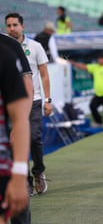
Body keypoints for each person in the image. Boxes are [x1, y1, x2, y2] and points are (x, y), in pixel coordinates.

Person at [5, 13, 53, 196]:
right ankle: (25, 180)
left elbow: (44, 74)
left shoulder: (35, 46)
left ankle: (38, 171)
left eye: (15, 25)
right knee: (16, 142)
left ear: (22, 26)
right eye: (8, 25)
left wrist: (48, 100)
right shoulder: (4, 48)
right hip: (11, 101)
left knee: (33, 137)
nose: (12, 28)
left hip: (33, 100)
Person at [0, 35, 33, 224]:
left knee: (17, 213)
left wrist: (20, 174)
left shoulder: (6, 50)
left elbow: (21, 119)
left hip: (4, 157)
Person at [69, 53, 103, 130]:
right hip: (98, 94)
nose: (99, 60)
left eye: (101, 58)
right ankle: (99, 122)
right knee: (92, 106)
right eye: (98, 58)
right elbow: (83, 67)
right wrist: (72, 62)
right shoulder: (95, 67)